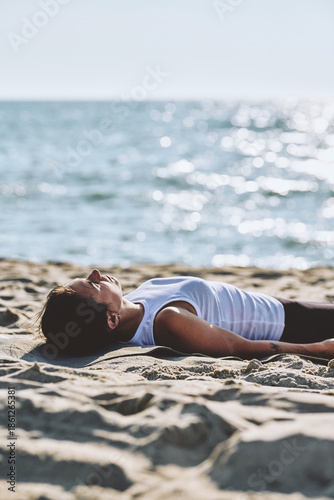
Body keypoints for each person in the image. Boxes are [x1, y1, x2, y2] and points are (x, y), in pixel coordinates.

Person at [39, 269, 334, 359]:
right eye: (93, 284)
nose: (96, 272)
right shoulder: (168, 321)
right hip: (290, 323)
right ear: (112, 319)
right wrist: (319, 349)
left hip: (278, 304)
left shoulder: (136, 302)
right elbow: (238, 347)